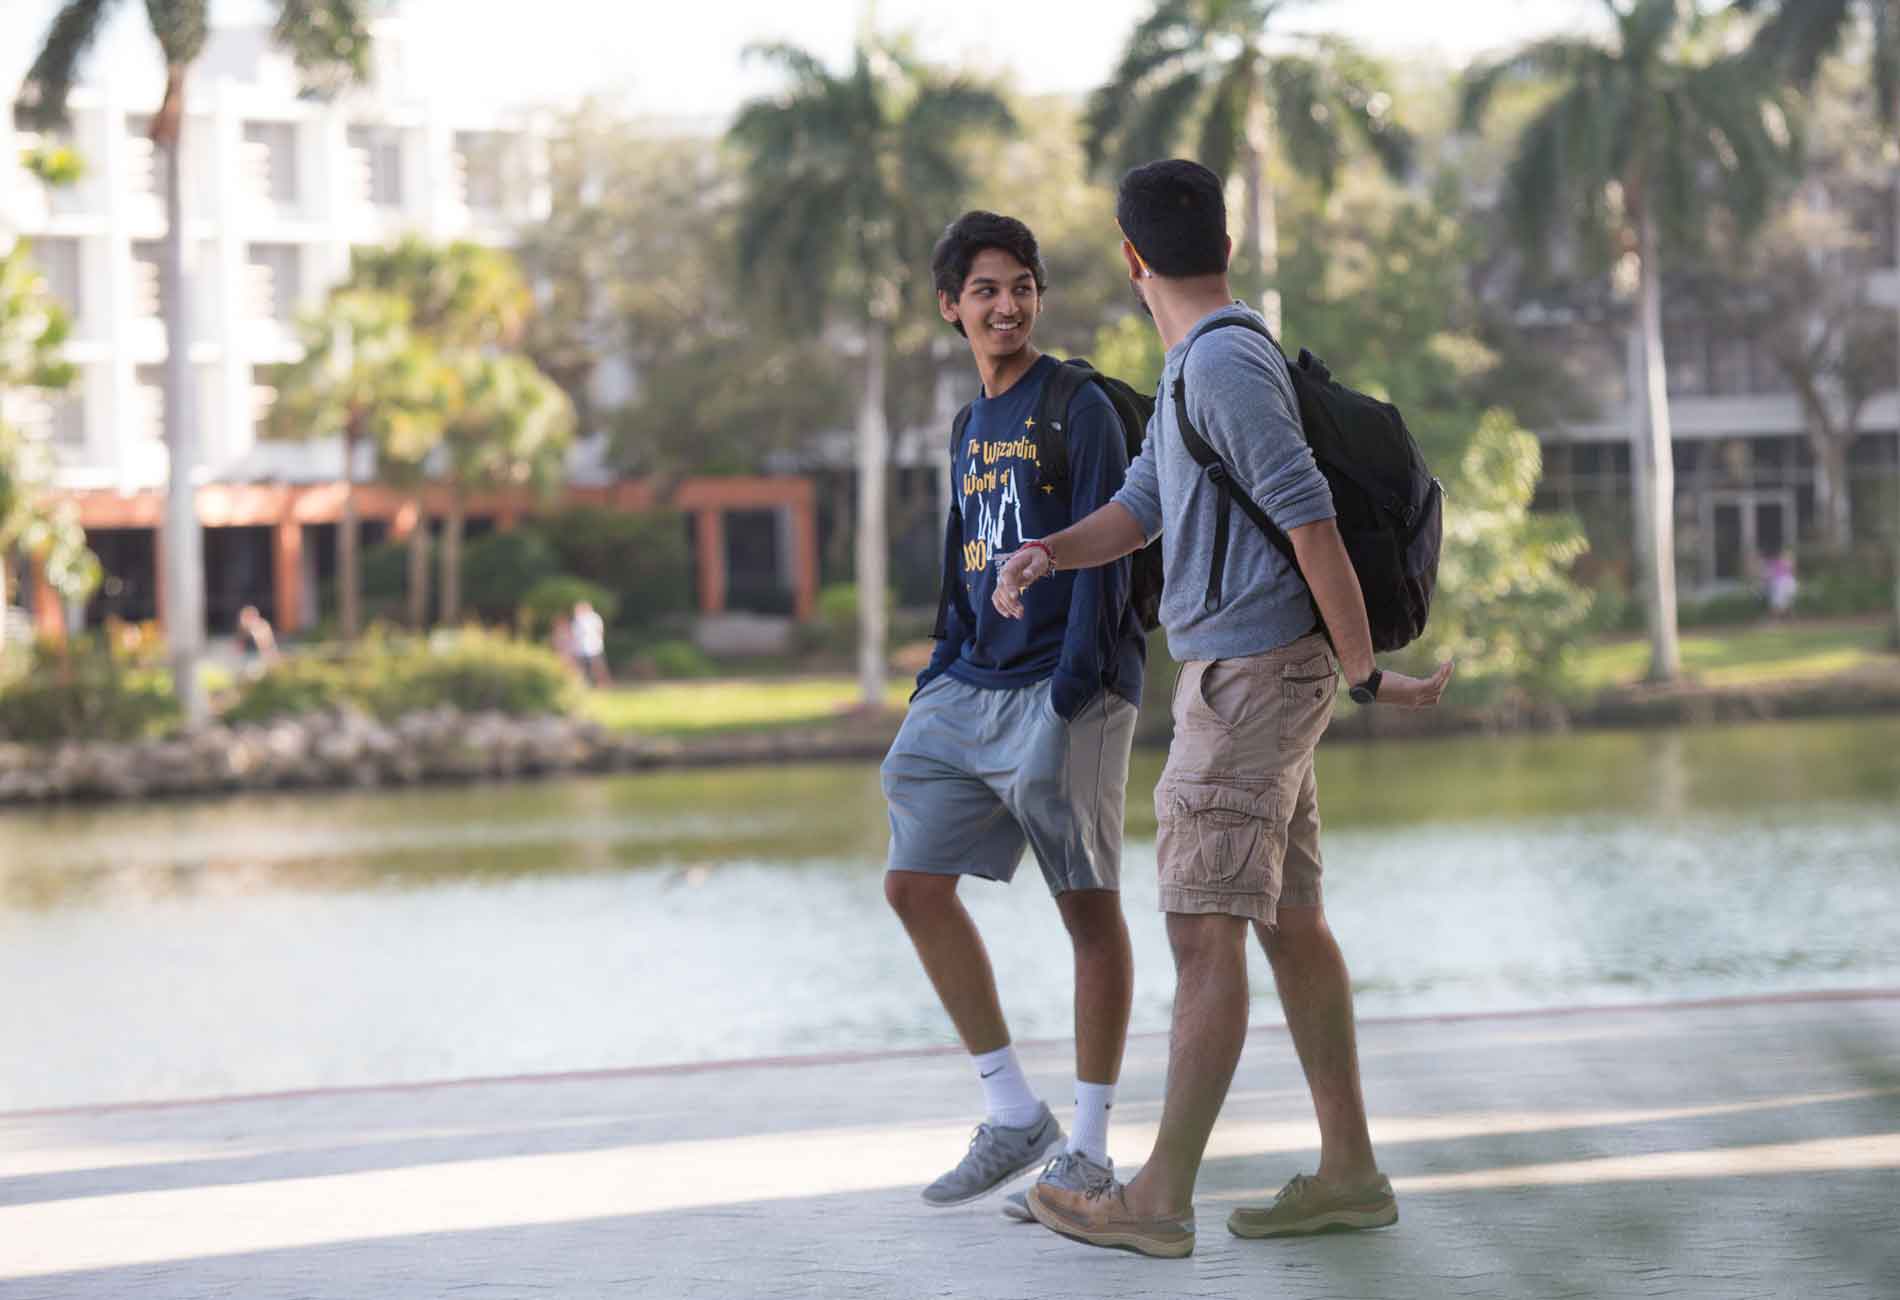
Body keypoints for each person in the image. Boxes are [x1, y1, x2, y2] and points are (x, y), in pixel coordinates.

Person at [994, 160, 1453, 1259]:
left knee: (1204, 932)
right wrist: (1050, 550)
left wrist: (1362, 671)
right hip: (1251, 673)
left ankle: (1157, 1195)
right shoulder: (1194, 367)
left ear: (1130, 257)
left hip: (1249, 679)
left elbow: (1309, 522)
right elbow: (1142, 507)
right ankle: (1348, 1171)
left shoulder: (1227, 364)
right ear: (1225, 249)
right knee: (1289, 923)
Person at [881, 211, 1148, 1218]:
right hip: (970, 681)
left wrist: (1071, 697)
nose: (1007, 304)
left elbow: (1108, 555)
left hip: (1066, 683)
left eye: (1022, 284)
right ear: (951, 306)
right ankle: (1010, 1112)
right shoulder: (968, 425)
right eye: (985, 288)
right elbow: (964, 562)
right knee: (912, 882)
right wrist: (938, 671)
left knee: (1085, 908)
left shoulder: (1075, 404)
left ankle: (1085, 1147)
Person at [570, 600, 608, 687]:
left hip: (594, 646)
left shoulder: (594, 618)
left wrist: (598, 642)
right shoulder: (577, 619)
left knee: (597, 666)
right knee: (582, 667)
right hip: (580, 648)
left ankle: (602, 683)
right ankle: (584, 684)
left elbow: (600, 631)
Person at [234, 605, 279, 673]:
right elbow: (239, 644)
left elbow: (266, 644)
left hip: (258, 656)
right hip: (247, 656)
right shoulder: (242, 629)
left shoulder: (262, 626)